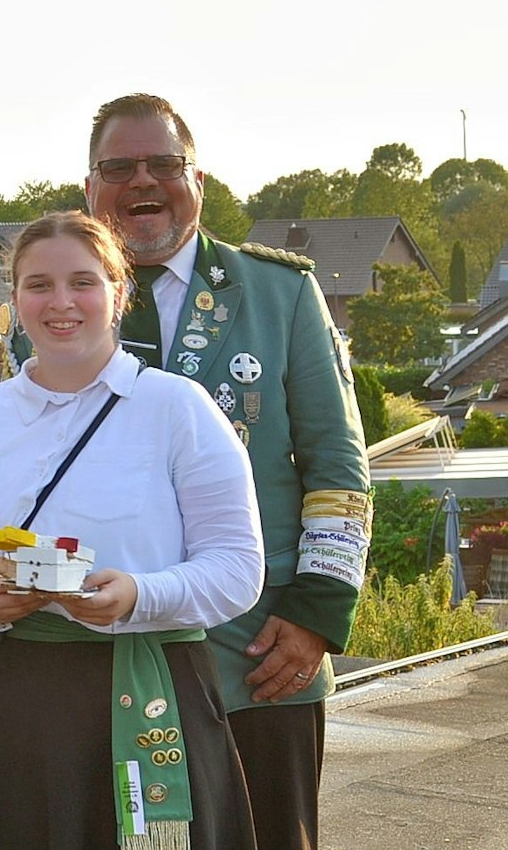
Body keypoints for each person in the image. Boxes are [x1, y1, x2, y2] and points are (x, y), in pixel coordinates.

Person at [0, 211, 264, 849]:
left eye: (83, 282)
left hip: (146, 688)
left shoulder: (177, 408)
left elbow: (238, 570)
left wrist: (137, 595)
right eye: (38, 285)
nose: (61, 302)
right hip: (13, 704)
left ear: (119, 292)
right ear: (14, 298)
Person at [83, 93, 371, 850]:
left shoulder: (281, 293)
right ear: (90, 187)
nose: (142, 182)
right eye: (119, 168)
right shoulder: (54, 305)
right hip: (106, 661)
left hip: (258, 656)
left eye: (163, 164)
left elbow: (339, 471)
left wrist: (316, 614)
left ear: (197, 181)